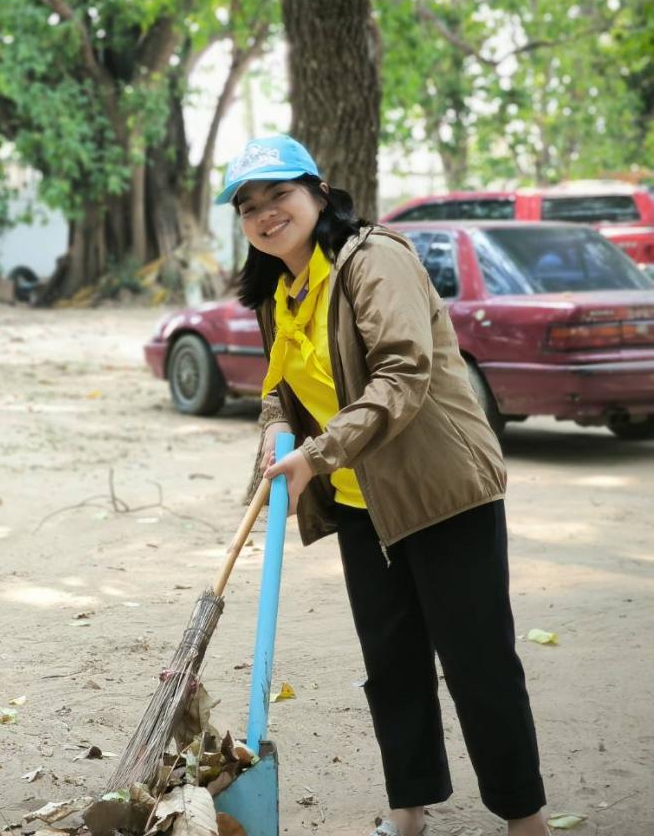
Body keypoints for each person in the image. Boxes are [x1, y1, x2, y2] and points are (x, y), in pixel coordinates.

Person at [219, 135, 549, 836]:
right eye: (249, 206)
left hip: (442, 491)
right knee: (391, 665)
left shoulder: (374, 261)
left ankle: (526, 820)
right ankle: (410, 812)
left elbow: (402, 373)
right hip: (362, 504)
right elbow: (278, 389)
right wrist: (276, 438)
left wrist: (318, 453)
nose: (266, 213)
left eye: (278, 194)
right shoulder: (279, 292)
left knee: (477, 661)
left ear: (317, 190)